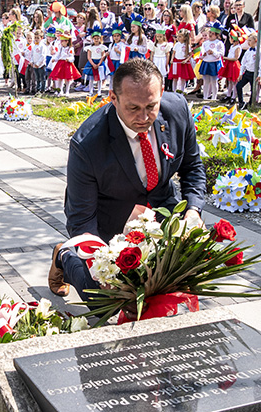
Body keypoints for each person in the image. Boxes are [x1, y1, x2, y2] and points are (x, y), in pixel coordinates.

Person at [48, 58, 206, 299]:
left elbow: (192, 167)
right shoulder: (87, 144)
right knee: (104, 298)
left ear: (161, 93)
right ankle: (64, 256)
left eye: (151, 106)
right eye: (133, 108)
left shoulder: (178, 111)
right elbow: (82, 219)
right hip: (110, 221)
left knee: (181, 277)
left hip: (162, 210)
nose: (144, 117)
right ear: (113, 97)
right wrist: (100, 260)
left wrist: (192, 211)